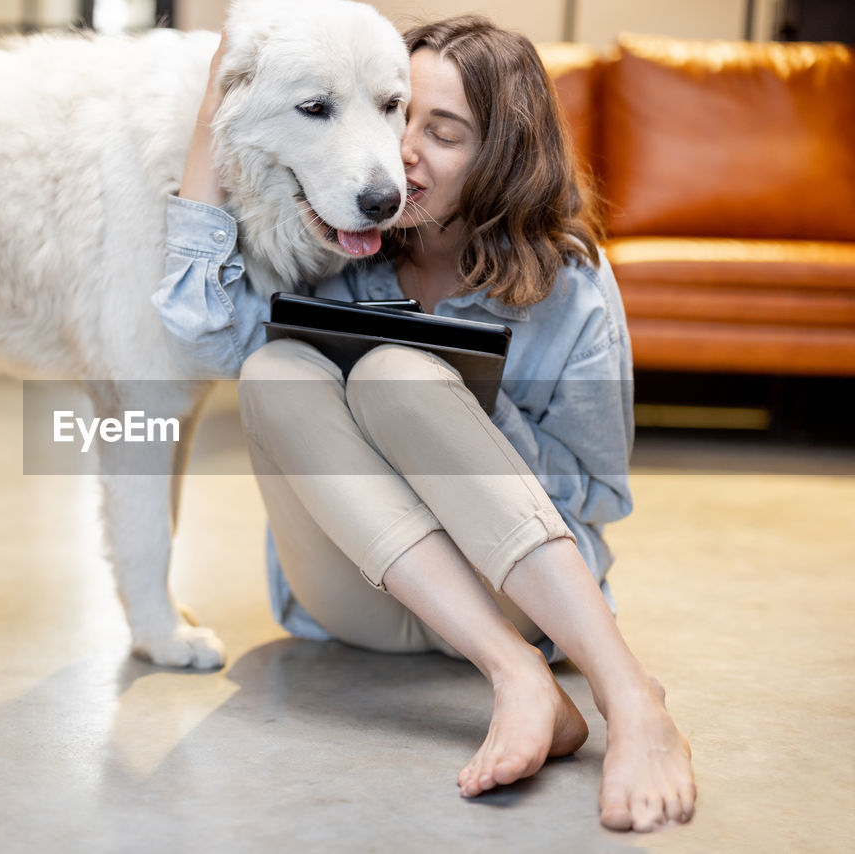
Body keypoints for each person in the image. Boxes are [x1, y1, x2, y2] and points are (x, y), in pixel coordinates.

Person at [152, 16, 695, 833]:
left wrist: (465, 397)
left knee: (399, 373)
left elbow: (599, 495)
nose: (397, 151)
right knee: (275, 368)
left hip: (520, 594)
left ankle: (629, 696)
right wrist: (210, 116)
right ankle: (518, 679)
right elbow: (203, 328)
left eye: (441, 134)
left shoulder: (571, 284)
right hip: (361, 599)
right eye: (395, 115)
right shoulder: (343, 247)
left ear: (500, 158)